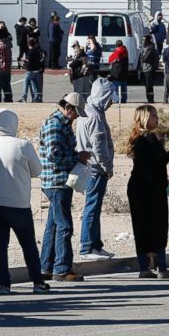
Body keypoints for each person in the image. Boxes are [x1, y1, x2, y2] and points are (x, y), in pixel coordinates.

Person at [0, 108, 49, 294]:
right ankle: (37, 282)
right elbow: (37, 171)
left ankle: (4, 284)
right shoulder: (23, 145)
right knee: (28, 244)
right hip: (18, 203)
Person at [38, 93, 91, 282]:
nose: (77, 117)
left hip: (58, 181)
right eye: (76, 112)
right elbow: (54, 155)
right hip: (56, 182)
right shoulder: (55, 125)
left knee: (53, 226)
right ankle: (62, 268)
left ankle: (46, 266)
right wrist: (78, 158)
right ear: (68, 108)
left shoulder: (62, 124)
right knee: (64, 226)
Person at [126, 105, 169, 279]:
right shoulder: (144, 138)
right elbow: (153, 163)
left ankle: (148, 267)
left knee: (145, 227)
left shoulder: (147, 137)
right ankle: (159, 267)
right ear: (144, 118)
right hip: (147, 188)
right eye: (153, 115)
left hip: (146, 186)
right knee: (156, 226)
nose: (157, 118)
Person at [76, 78, 115, 260]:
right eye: (109, 98)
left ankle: (96, 244)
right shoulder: (96, 116)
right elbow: (99, 147)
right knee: (92, 207)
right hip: (96, 168)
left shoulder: (88, 110)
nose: (112, 103)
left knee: (94, 207)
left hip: (89, 166)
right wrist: (108, 167)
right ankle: (87, 247)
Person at [20, 37, 45, 103]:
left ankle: (24, 98)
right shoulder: (37, 51)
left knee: (26, 84)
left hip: (30, 70)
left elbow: (29, 60)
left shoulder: (30, 52)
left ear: (28, 44)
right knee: (35, 85)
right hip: (36, 70)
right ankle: (36, 97)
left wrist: (23, 60)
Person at [139, 34, 158, 103]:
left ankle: (150, 99)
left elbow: (145, 59)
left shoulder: (150, 48)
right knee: (146, 86)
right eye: (142, 40)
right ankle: (149, 99)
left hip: (149, 69)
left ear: (148, 40)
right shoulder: (146, 48)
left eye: (144, 40)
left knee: (149, 85)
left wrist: (141, 55)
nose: (143, 41)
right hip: (145, 68)